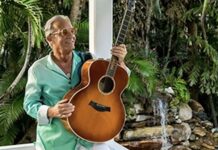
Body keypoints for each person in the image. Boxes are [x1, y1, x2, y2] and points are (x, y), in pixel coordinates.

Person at [23, 15, 130, 150]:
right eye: (64, 32)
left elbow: (118, 79)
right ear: (50, 39)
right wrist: (52, 111)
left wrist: (120, 61)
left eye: (72, 31)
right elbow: (29, 104)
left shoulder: (88, 61)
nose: (71, 35)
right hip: (56, 142)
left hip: (88, 138)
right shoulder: (38, 69)